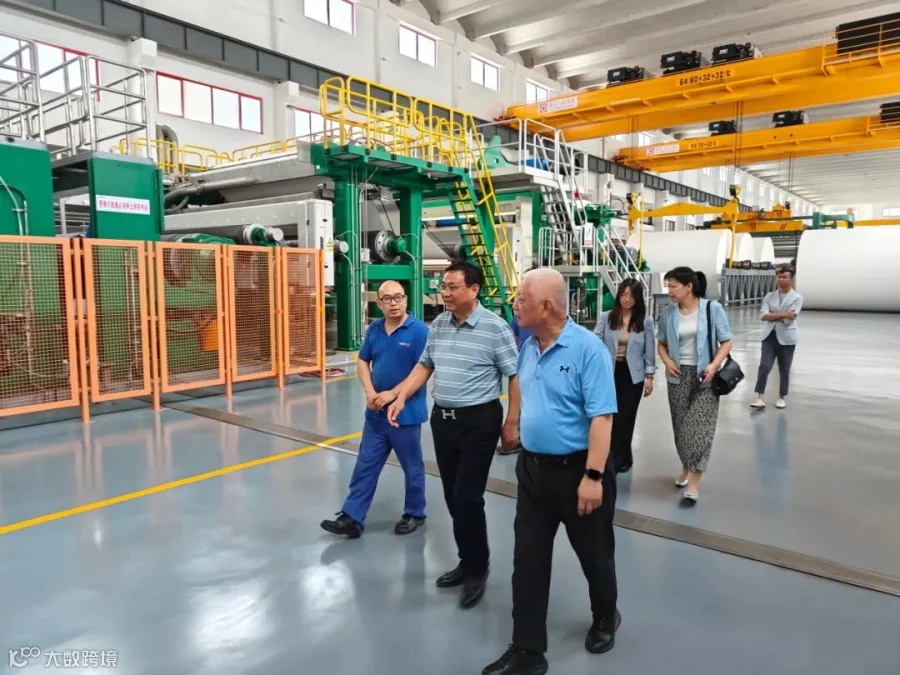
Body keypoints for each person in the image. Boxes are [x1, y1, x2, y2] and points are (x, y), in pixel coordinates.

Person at [483, 268, 619, 675]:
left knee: (595, 556)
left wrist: (593, 478)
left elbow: (602, 419)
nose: (515, 305)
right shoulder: (528, 345)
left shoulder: (588, 350)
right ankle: (528, 650)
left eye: (521, 299)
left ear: (545, 306)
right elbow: (525, 392)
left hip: (579, 473)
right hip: (533, 472)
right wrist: (514, 424)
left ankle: (605, 615)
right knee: (527, 561)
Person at [388, 261, 519, 609]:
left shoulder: (495, 328)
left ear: (474, 290)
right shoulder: (441, 324)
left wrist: (512, 424)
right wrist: (401, 397)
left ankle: (477, 568)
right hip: (443, 421)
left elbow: (515, 375)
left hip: (479, 421)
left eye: (451, 287)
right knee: (451, 495)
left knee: (467, 497)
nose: (444, 293)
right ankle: (467, 559)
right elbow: (425, 365)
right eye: (442, 287)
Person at [320, 280, 429, 539]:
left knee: (412, 466)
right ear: (379, 303)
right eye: (387, 298)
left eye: (399, 297)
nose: (394, 303)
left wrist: (393, 394)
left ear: (406, 299)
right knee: (365, 465)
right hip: (376, 414)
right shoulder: (374, 329)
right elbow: (363, 361)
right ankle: (352, 517)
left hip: (405, 413)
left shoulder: (420, 331)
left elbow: (422, 370)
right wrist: (370, 392)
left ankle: (415, 512)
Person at [656, 267, 733, 503]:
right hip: (677, 376)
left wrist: (714, 365)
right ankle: (686, 467)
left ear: (688, 287)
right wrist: (667, 361)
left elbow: (726, 341)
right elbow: (661, 344)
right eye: (668, 286)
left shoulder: (712, 309)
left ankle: (694, 483)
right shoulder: (668, 313)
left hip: (704, 377)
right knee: (681, 429)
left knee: (700, 430)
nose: (669, 291)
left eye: (673, 286)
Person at [594, 278, 656, 474]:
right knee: (609, 415)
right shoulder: (606, 317)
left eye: (631, 296)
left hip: (633, 375)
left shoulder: (645, 321)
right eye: (623, 294)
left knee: (626, 417)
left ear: (638, 298)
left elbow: (649, 350)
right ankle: (611, 456)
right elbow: (596, 341)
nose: (626, 299)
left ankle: (623, 457)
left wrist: (649, 376)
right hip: (610, 372)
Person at [751, 266, 803, 410]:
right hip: (769, 336)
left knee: (784, 368)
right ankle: (760, 397)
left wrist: (773, 315)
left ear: (791, 279)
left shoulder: (797, 298)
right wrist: (784, 314)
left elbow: (790, 319)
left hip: (787, 338)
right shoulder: (769, 296)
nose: (781, 280)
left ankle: (781, 397)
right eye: (779, 277)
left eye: (784, 277)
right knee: (764, 366)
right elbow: (763, 316)